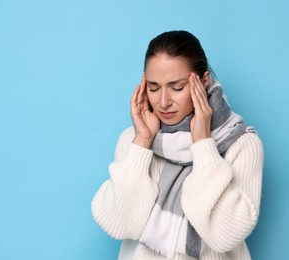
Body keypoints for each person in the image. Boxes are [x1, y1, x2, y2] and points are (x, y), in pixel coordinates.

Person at [91, 30, 263, 260]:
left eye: (177, 87)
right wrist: (142, 143)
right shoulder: (134, 140)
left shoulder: (241, 145)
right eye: (153, 88)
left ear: (203, 81)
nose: (163, 102)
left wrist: (203, 145)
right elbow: (119, 223)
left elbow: (225, 235)